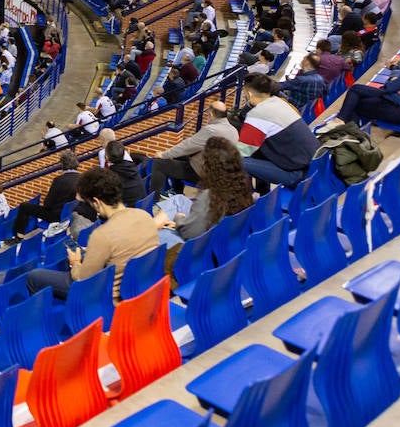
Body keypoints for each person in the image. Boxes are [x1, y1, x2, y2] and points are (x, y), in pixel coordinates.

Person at [25, 167, 158, 301]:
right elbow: (125, 247)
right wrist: (92, 250)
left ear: (96, 202)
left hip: (106, 295)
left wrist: (75, 263)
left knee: (34, 276)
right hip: (141, 285)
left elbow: (82, 279)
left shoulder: (102, 234)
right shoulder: (144, 216)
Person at [154, 137, 254, 245]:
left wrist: (179, 219)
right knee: (179, 199)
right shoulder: (242, 187)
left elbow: (190, 234)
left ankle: (148, 230)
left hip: (201, 245)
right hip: (221, 235)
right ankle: (152, 226)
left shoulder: (209, 197)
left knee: (157, 236)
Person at [237, 73, 321, 189]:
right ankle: (262, 192)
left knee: (235, 162)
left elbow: (241, 152)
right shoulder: (281, 103)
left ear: (249, 93)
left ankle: (248, 201)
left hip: (298, 175)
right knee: (258, 151)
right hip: (314, 165)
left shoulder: (257, 114)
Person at [337, 38, 400, 127]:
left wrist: (395, 76)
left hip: (399, 111)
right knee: (356, 92)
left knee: (354, 101)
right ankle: (344, 123)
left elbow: (389, 87)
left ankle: (343, 123)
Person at [149, 101, 239, 195]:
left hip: (205, 174)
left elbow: (187, 146)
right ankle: (176, 191)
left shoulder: (211, 130)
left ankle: (154, 199)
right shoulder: (234, 131)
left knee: (158, 163)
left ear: (211, 114)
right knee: (179, 155)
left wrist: (163, 154)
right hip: (222, 173)